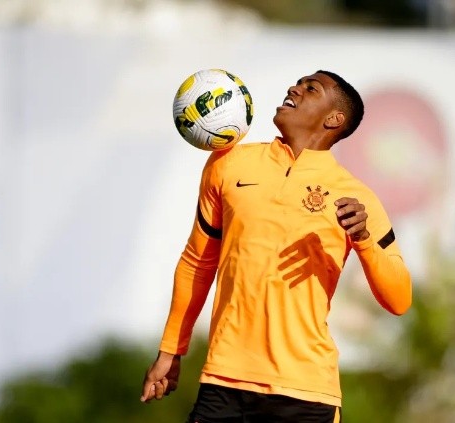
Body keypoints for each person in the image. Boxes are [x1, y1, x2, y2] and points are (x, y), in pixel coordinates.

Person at [140, 70, 412, 422]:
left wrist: (363, 240)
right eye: (298, 82)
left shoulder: (357, 198)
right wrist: (170, 350)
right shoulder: (227, 163)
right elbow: (197, 262)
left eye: (311, 88)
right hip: (223, 382)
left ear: (334, 119)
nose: (294, 89)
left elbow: (399, 300)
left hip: (307, 393)